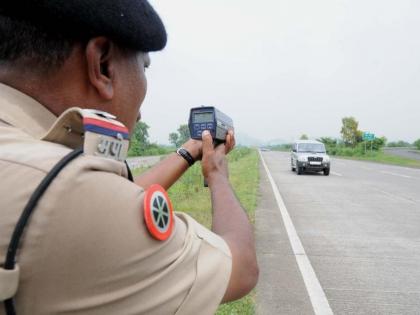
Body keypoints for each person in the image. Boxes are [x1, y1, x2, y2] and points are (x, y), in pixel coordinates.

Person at [0, 1, 258, 314]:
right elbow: (240, 268)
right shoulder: (66, 192)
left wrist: (190, 151)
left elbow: (116, 194)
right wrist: (216, 173)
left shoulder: (29, 153)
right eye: (144, 67)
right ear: (103, 65)